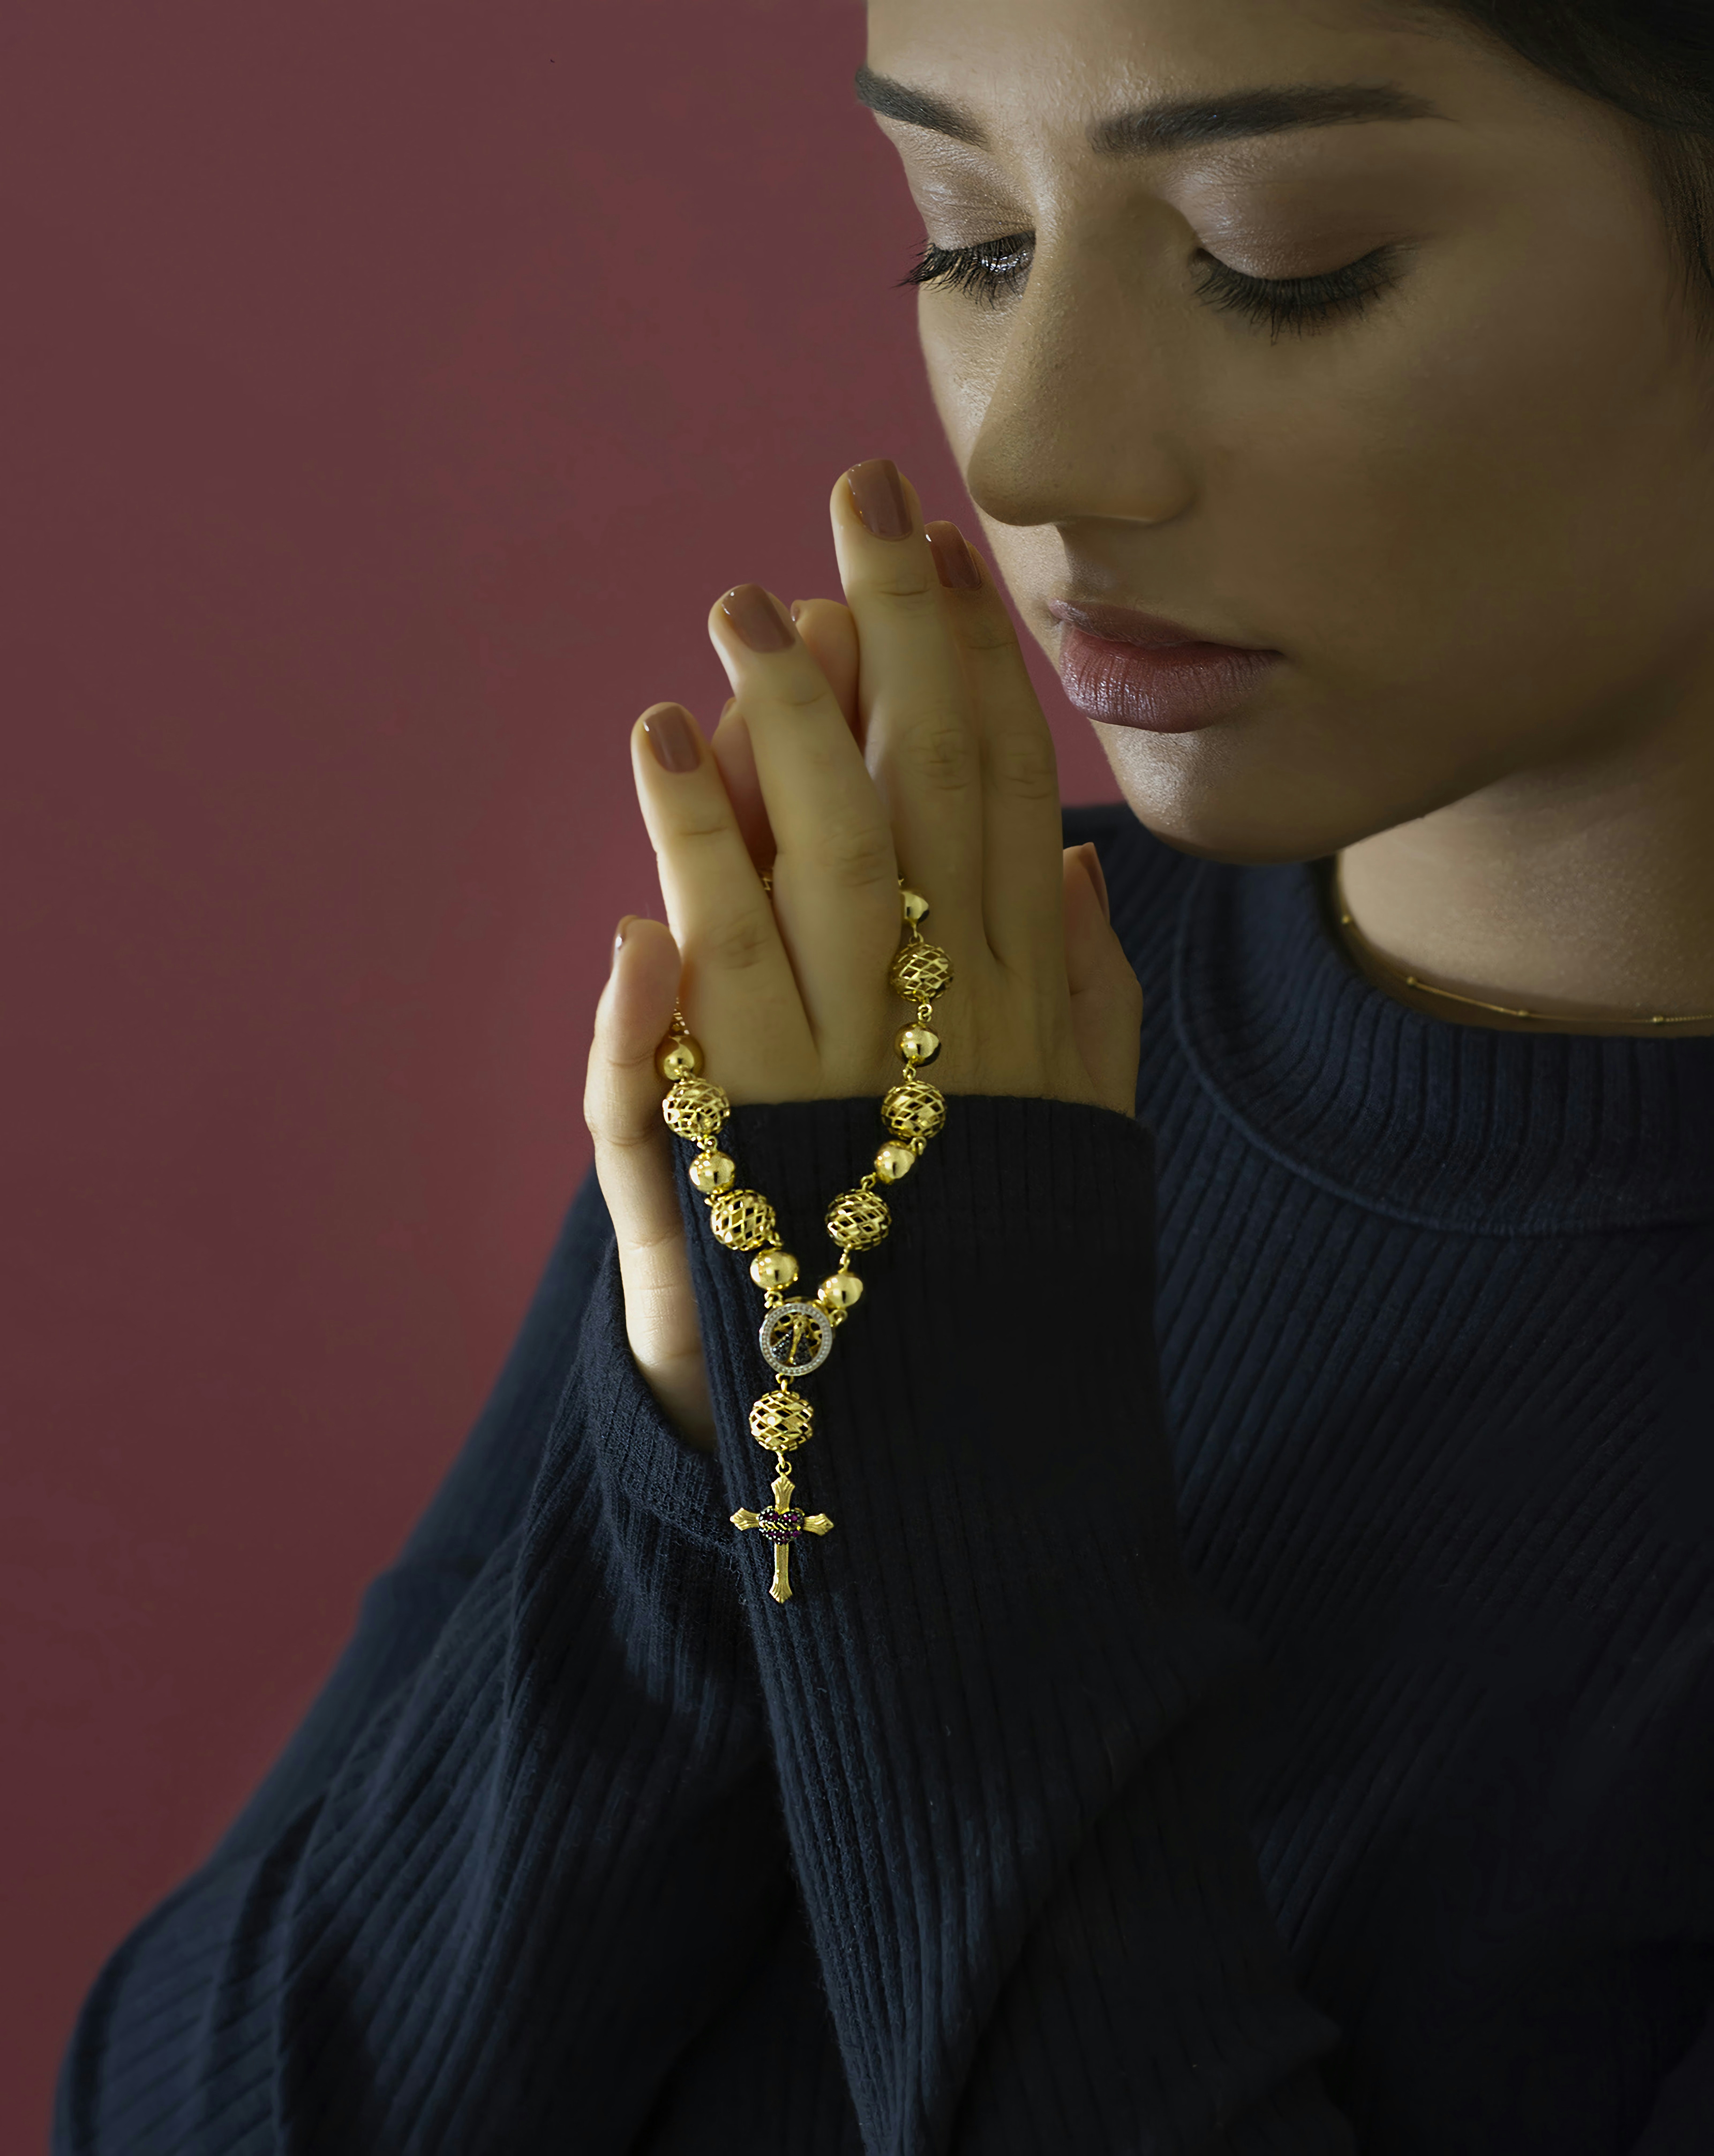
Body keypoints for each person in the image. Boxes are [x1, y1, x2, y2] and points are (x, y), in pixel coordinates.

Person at [55, 0, 1714, 2148]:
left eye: (1275, 255)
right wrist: (694, 1453)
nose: (1029, 449)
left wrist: (904, 1444)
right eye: (968, 237)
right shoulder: (939, 1029)